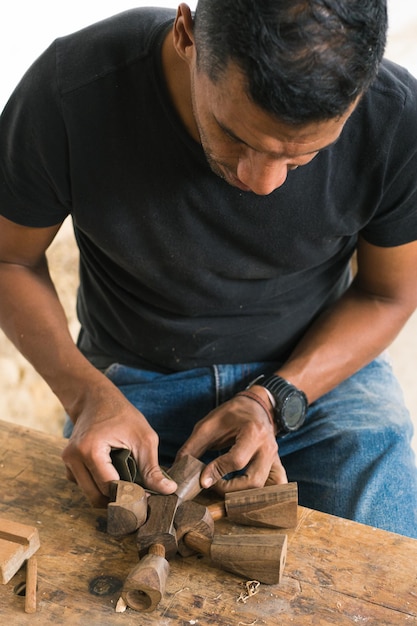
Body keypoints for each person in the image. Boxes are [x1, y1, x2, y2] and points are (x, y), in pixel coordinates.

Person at [0, 0, 417, 538]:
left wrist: (273, 398)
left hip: (315, 375)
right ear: (186, 34)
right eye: (236, 136)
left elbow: (388, 294)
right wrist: (85, 396)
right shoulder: (75, 88)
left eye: (301, 156)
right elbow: (10, 257)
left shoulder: (393, 116)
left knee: (383, 552)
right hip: (132, 384)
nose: (264, 183)